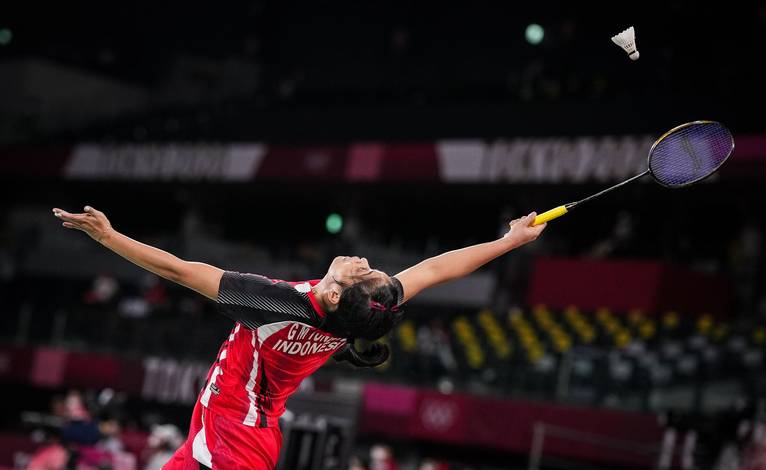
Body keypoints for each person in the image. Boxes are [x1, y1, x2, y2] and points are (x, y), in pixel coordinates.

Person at [52, 205, 546, 469]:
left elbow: (179, 270)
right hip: (230, 424)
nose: (363, 263)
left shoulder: (279, 303)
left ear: (335, 294)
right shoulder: (367, 309)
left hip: (235, 435)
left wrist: (108, 237)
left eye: (363, 270)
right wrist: (509, 241)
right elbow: (438, 269)